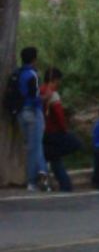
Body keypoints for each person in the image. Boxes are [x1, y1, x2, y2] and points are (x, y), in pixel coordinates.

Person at [41, 67, 81, 192]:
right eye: (59, 81)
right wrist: (64, 129)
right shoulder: (52, 94)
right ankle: (49, 155)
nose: (59, 84)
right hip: (53, 131)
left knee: (56, 159)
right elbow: (59, 115)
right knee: (77, 143)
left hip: (42, 131)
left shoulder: (40, 90)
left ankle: (66, 186)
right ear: (55, 80)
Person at [16, 47, 49, 191]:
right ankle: (32, 181)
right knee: (34, 148)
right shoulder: (33, 75)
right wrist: (45, 97)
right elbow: (35, 97)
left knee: (32, 145)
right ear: (34, 59)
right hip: (33, 113)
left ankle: (42, 173)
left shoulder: (17, 73)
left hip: (20, 113)